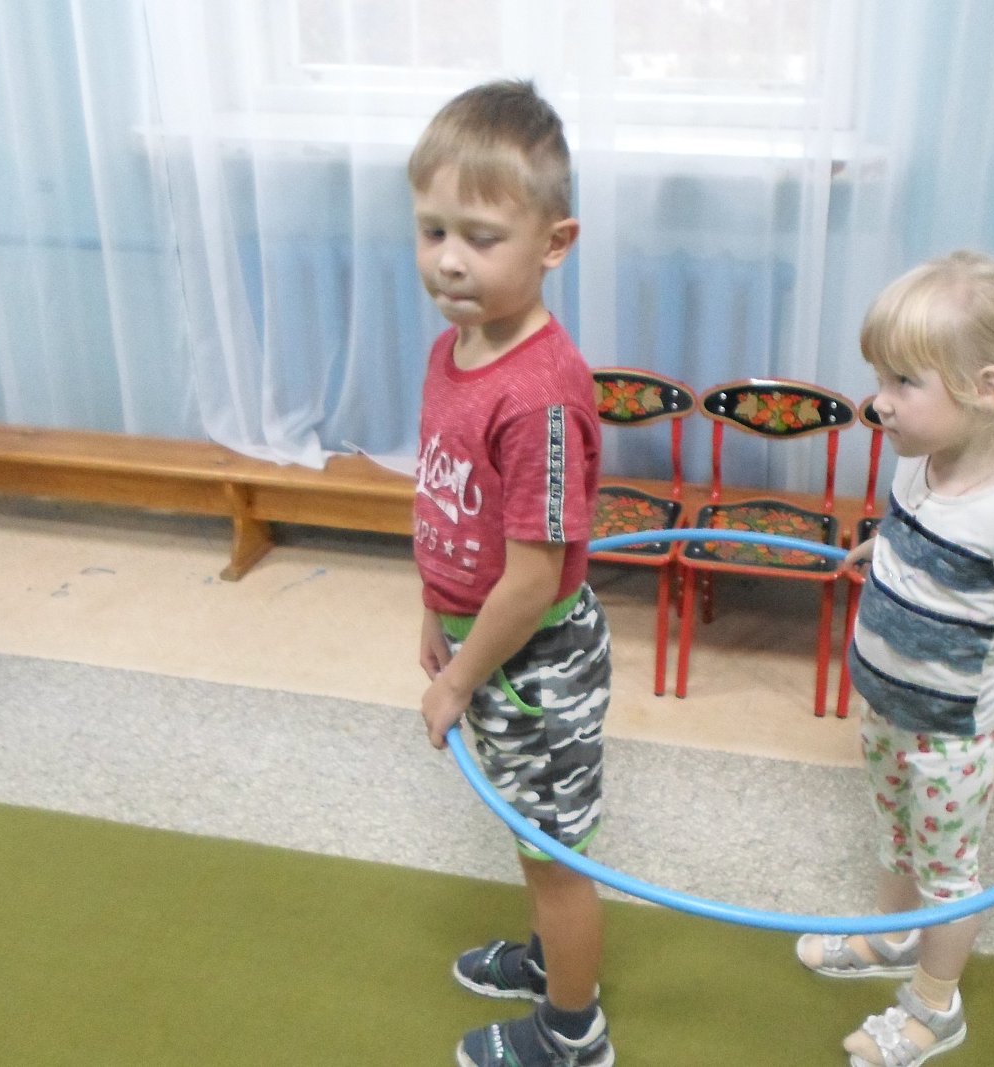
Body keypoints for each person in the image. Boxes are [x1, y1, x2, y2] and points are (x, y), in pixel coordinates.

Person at [796, 250, 994, 1067]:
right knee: (896, 834)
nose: (879, 400)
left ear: (986, 389)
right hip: (885, 703)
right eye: (881, 378)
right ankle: (892, 935)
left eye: (903, 382)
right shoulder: (919, 459)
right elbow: (923, 533)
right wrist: (889, 550)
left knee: (947, 870)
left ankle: (935, 1007)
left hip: (949, 735)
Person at [408, 79, 614, 1067]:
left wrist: (459, 675)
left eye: (481, 237)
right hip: (484, 639)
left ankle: (573, 1032)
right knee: (534, 838)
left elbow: (531, 578)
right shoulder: (457, 347)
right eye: (432, 230)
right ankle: (547, 962)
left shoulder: (539, 399)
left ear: (553, 243)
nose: (449, 258)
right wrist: (434, 611)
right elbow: (449, 501)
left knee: (553, 857)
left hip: (536, 663)